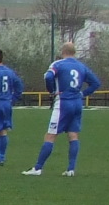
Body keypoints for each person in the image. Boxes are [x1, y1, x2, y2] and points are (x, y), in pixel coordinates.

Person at [26, 41, 101, 176]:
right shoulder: (81, 66)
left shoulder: (58, 64)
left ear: (62, 52)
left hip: (63, 102)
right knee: (73, 135)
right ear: (74, 52)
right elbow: (96, 83)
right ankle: (71, 169)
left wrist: (51, 90)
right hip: (77, 103)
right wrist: (83, 94)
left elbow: (49, 76)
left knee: (50, 135)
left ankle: (37, 168)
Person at [0, 49, 24, 166]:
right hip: (7, 103)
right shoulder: (10, 71)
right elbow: (19, 85)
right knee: (3, 130)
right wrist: (13, 98)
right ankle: (2, 157)